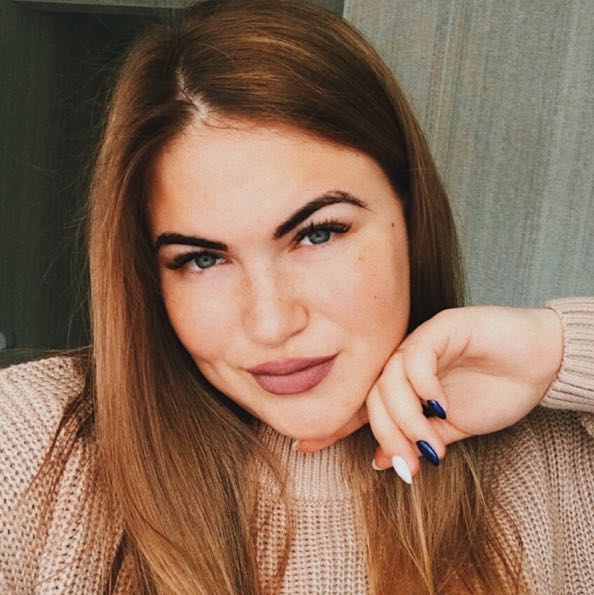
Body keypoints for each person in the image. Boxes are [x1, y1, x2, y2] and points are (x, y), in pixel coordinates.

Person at [0, 0, 592, 593]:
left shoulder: (554, 458)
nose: (271, 323)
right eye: (202, 259)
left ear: (410, 214)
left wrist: (558, 349)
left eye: (317, 233)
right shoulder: (30, 444)